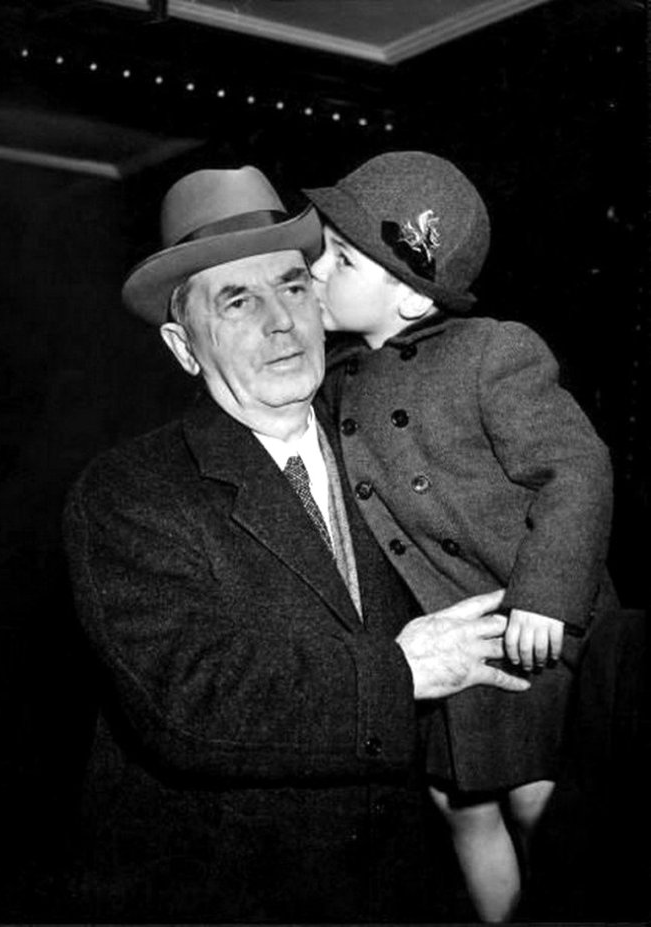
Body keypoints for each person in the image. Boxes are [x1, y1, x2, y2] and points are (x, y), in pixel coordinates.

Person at [62, 164, 530, 923]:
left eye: (291, 286)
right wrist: (402, 672)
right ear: (184, 346)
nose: (280, 321)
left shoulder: (402, 445)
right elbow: (190, 703)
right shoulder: (129, 491)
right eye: (238, 300)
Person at [305, 151, 619, 922]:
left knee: (540, 800)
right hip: (450, 636)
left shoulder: (492, 352)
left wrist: (546, 596)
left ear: (412, 296)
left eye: (341, 259)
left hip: (533, 631)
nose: (314, 270)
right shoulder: (338, 379)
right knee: (461, 806)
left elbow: (578, 467)